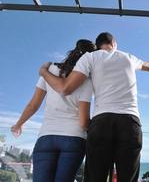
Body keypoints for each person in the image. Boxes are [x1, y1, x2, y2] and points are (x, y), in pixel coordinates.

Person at [39, 32, 149, 182]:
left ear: (98, 45)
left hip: (102, 123)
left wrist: (43, 72)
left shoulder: (90, 57)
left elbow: (66, 88)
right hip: (130, 122)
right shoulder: (128, 57)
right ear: (114, 43)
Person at [11, 39, 96, 182]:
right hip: (74, 138)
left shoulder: (50, 70)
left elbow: (33, 105)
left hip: (46, 137)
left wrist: (19, 124)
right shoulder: (87, 81)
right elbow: (83, 123)